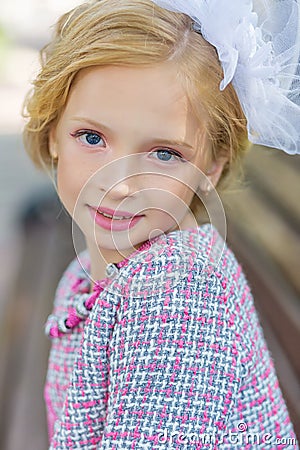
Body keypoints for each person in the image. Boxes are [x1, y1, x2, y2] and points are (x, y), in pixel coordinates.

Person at [23, 0, 300, 448]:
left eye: (165, 153)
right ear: (53, 133)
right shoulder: (92, 272)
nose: (119, 183)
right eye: (92, 138)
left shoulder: (178, 295)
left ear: (209, 169)